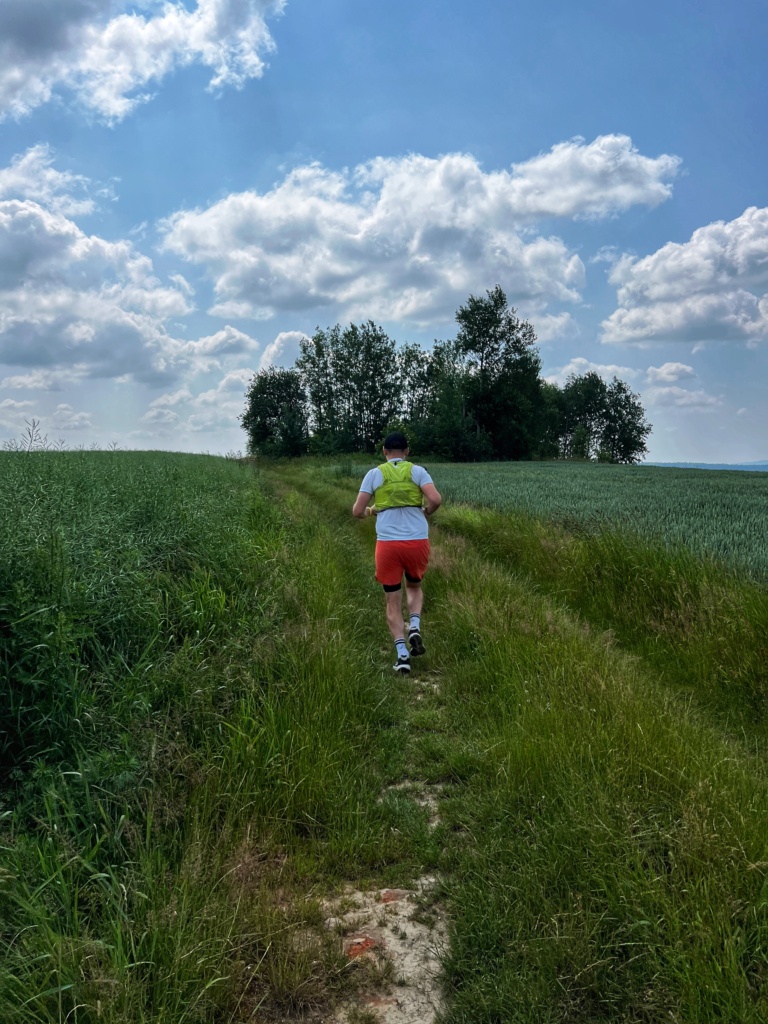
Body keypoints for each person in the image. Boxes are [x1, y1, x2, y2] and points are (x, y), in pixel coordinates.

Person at [352, 431, 442, 673]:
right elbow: (436, 499)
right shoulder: (417, 471)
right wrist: (426, 512)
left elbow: (357, 511)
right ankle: (414, 625)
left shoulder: (375, 474)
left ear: (384, 452)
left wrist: (373, 511)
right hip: (417, 542)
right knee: (414, 586)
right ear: (407, 452)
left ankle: (402, 655)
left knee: (392, 598)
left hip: (388, 545)